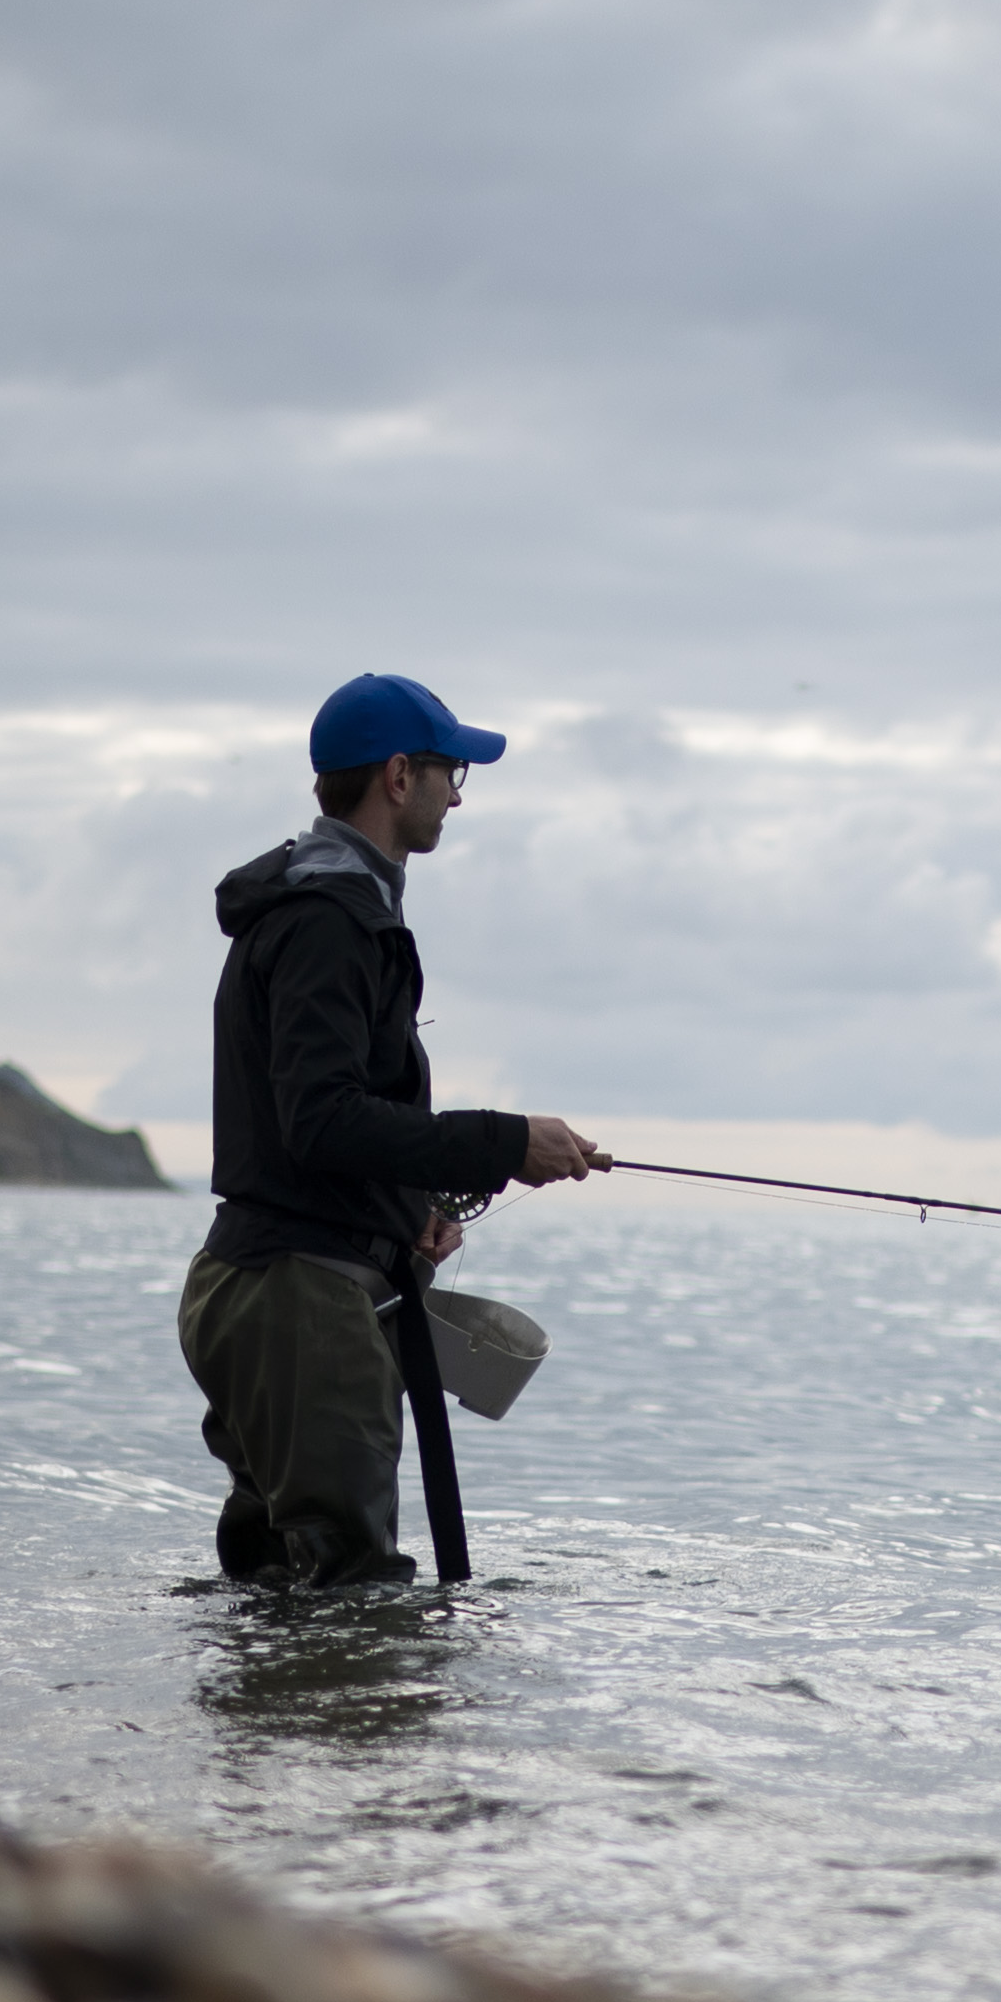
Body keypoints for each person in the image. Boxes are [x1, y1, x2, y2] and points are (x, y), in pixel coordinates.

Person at [184, 673, 610, 1584]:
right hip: (296, 1304)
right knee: (354, 1605)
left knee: (274, 1588)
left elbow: (308, 1120)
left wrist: (403, 1208)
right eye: (453, 772)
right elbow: (321, 1121)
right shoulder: (329, 921)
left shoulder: (323, 904)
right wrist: (505, 1144)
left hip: (265, 1287)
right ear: (398, 774)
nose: (459, 795)